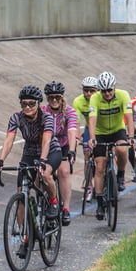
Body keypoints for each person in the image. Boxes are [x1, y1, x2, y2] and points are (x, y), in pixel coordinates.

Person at [0, 85, 62, 246]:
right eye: (24, 104)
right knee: (21, 191)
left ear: (38, 103)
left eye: (31, 103)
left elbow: (46, 141)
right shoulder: (16, 118)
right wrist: (0, 160)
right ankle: (25, 236)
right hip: (30, 152)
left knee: (45, 174)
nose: (28, 107)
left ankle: (53, 202)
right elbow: (9, 140)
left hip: (50, 151)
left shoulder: (47, 118)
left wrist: (43, 161)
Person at [86, 71, 135, 220]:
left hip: (117, 130)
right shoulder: (94, 98)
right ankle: (100, 203)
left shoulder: (123, 95)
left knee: (121, 149)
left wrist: (131, 136)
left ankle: (120, 175)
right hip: (100, 132)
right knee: (100, 165)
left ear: (114, 88)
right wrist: (92, 138)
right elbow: (92, 120)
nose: (107, 93)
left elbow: (129, 117)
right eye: (104, 91)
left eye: (109, 90)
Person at [42, 80, 78, 226]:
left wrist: (71, 150)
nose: (54, 100)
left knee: (64, 171)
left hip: (63, 145)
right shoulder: (43, 111)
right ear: (47, 98)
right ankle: (44, 201)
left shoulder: (69, 111)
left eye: (57, 97)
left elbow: (72, 132)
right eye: (51, 97)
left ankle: (66, 208)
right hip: (48, 145)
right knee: (41, 173)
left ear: (62, 97)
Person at [72, 76, 99, 203]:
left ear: (97, 90)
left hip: (104, 129)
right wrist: (77, 137)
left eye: (91, 90)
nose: (88, 93)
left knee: (103, 155)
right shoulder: (78, 101)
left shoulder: (101, 99)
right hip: (90, 128)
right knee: (87, 155)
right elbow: (75, 122)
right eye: (86, 90)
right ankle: (88, 186)